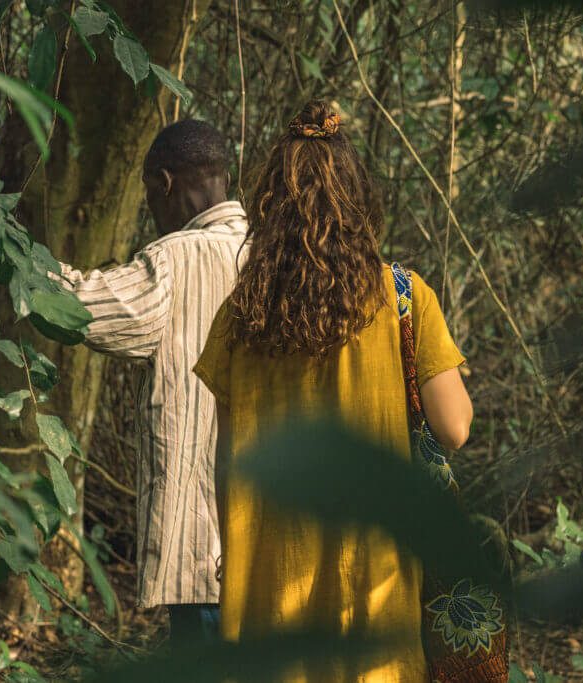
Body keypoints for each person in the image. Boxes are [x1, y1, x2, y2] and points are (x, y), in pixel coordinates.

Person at [194, 101, 473, 681]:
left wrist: (231, 557)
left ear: (271, 206)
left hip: (269, 578)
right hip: (374, 576)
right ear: (357, 200)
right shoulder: (404, 297)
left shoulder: (241, 316)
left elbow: (226, 462)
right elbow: (454, 429)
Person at [53, 119, 246, 645]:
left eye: (147, 194)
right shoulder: (279, 255)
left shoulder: (175, 261)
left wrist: (9, 252)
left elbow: (80, 306)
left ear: (165, 183)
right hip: (279, 543)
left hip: (205, 547)